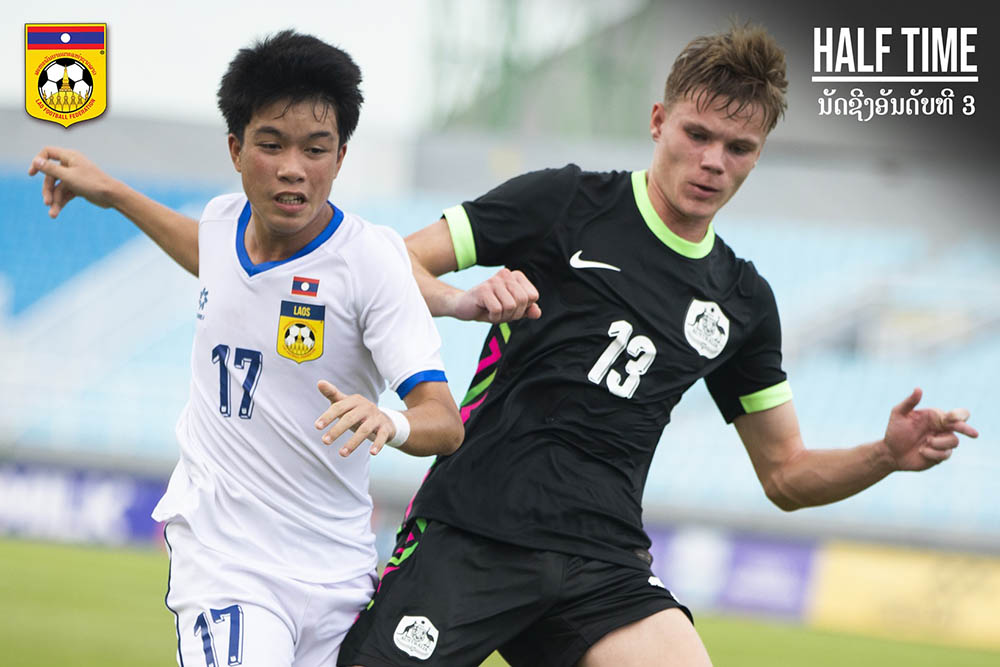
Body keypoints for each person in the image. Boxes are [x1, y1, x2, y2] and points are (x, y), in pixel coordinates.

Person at [336, 24, 979, 667]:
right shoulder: (565, 201)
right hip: (473, 528)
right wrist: (461, 299)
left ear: (757, 155)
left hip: (603, 561)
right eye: (697, 135)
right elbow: (388, 264)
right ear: (658, 122)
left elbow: (785, 475)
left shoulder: (744, 301)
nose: (713, 162)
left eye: (738, 147)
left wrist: (885, 455)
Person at [28, 30, 463, 667]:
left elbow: (444, 422)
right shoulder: (222, 223)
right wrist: (114, 192)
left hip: (337, 576)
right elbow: (207, 255)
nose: (293, 167)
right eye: (271, 144)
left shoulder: (373, 263)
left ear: (340, 157)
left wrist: (389, 420)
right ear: (236, 149)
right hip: (226, 560)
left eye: (316, 149)